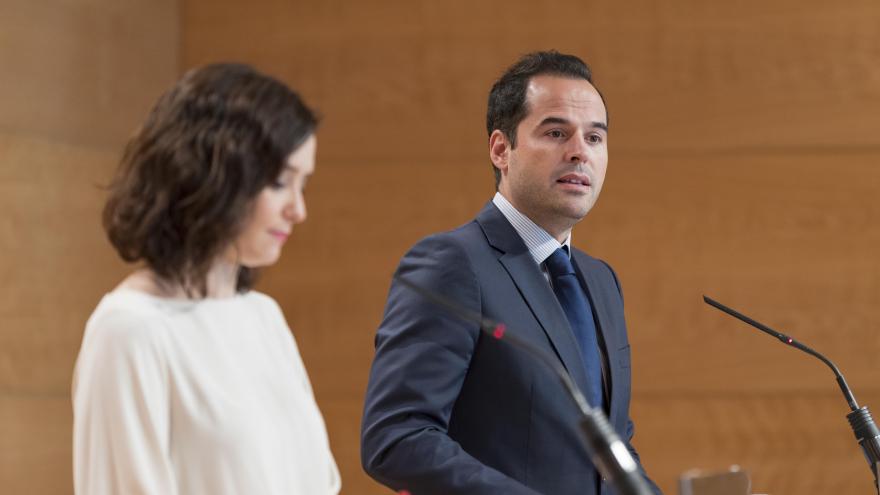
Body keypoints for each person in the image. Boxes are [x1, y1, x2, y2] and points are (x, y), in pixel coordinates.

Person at [361, 51, 661, 495]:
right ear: (501, 149)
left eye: (595, 138)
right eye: (556, 132)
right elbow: (398, 438)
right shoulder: (452, 264)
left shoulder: (600, 281)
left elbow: (611, 449)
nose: (580, 152)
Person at [72, 63, 340, 495]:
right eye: (279, 183)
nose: (298, 210)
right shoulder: (130, 330)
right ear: (214, 178)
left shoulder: (261, 316)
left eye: (303, 184)